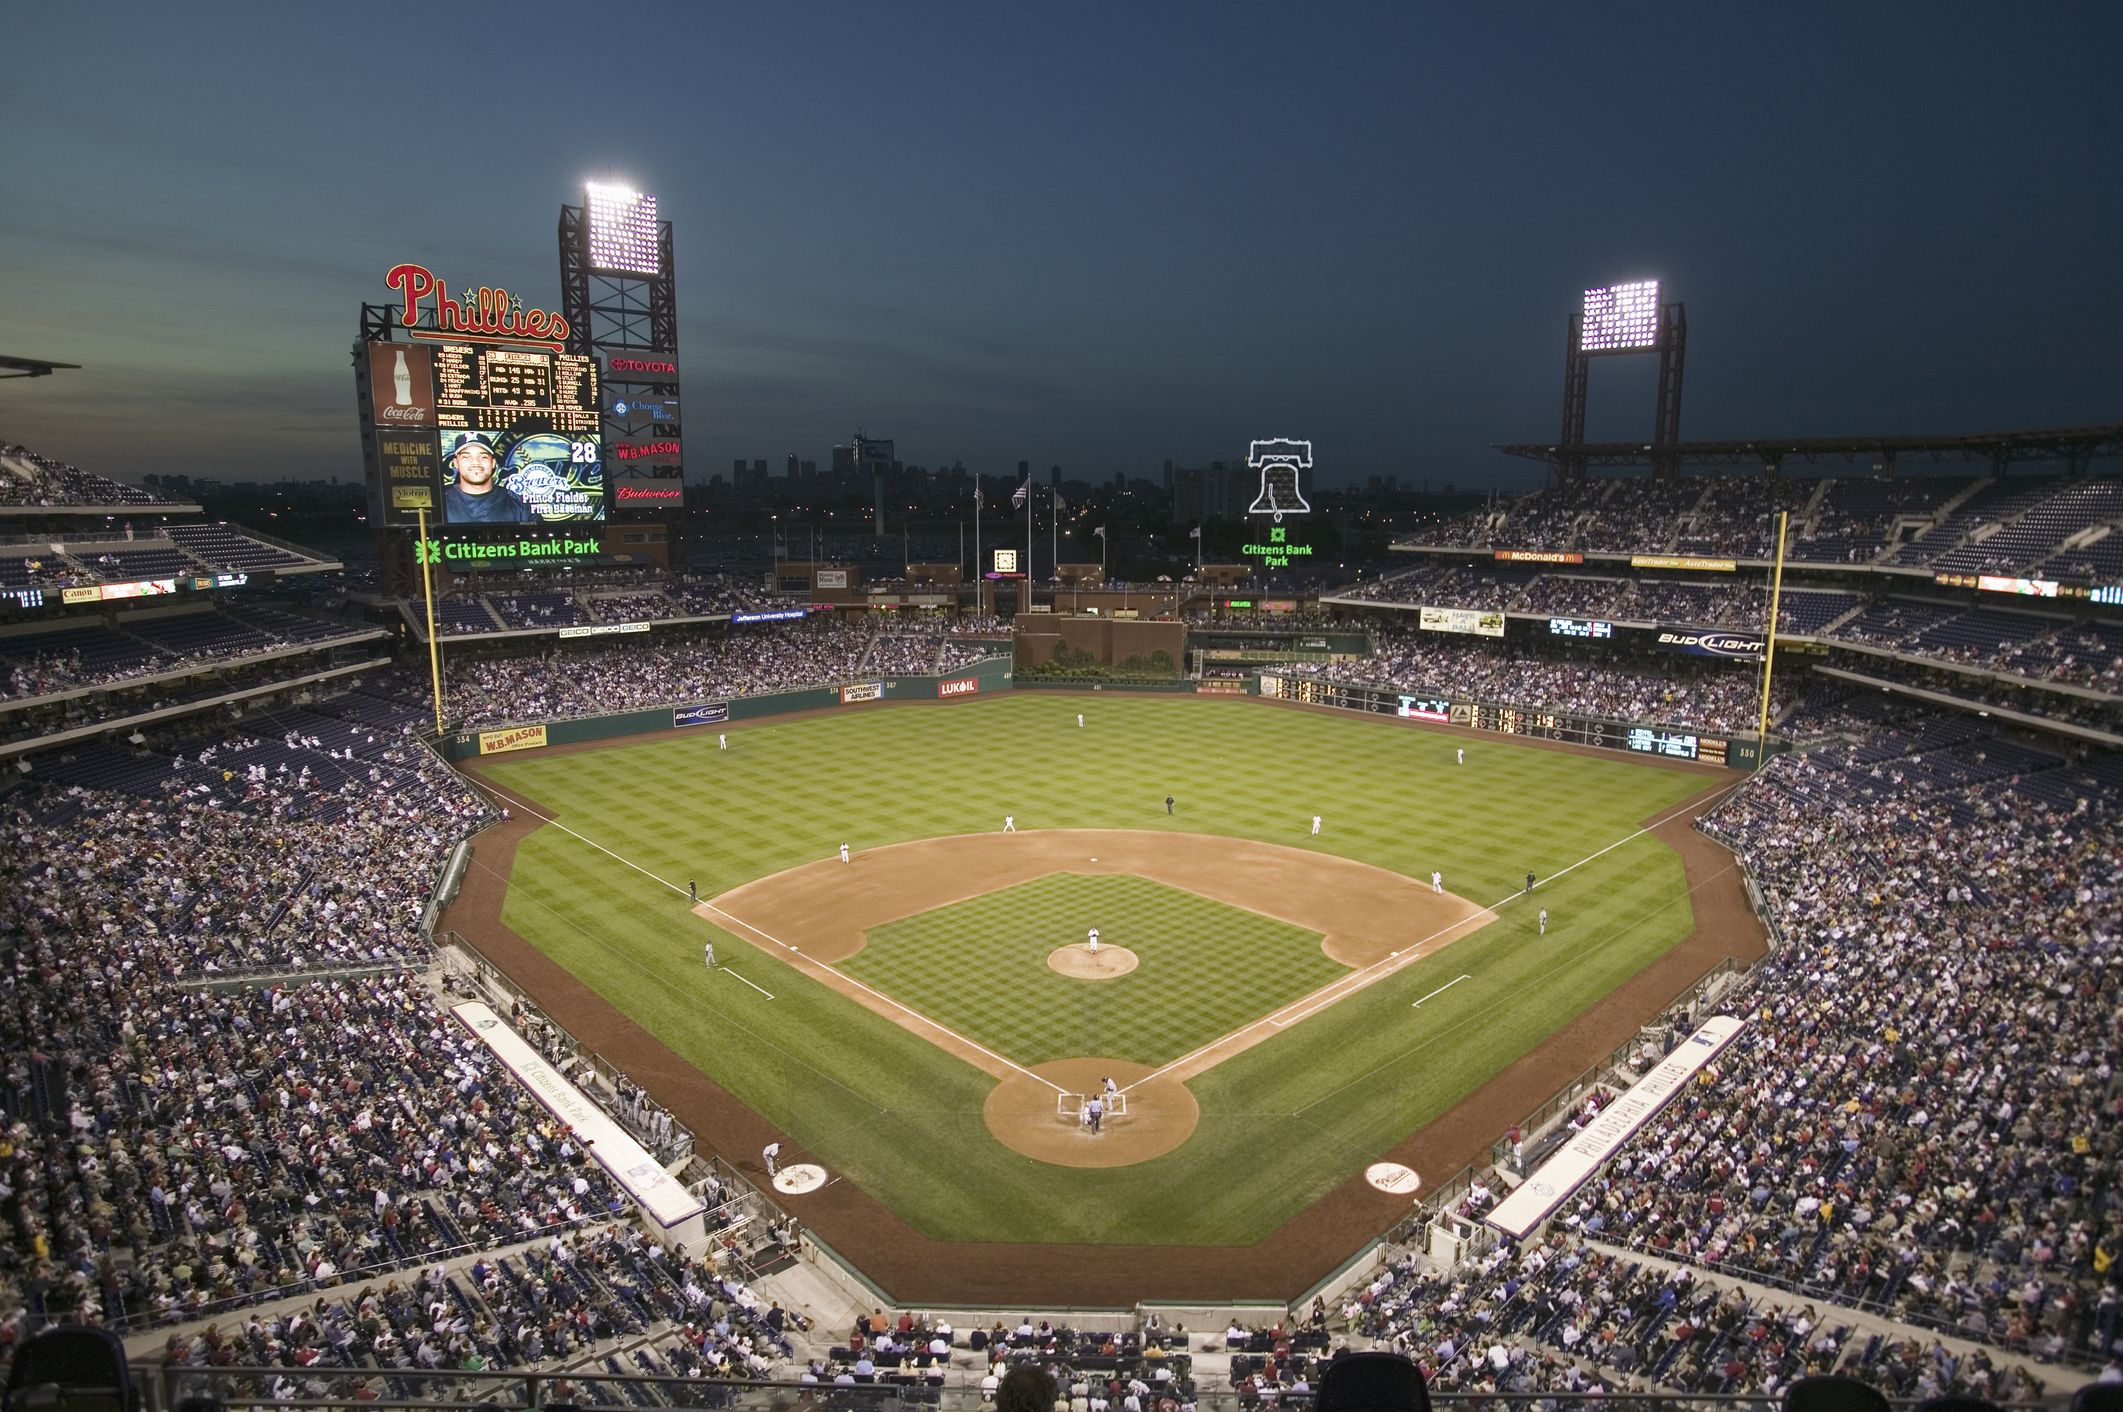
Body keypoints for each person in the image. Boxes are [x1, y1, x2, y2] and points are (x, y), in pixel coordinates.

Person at [441, 431, 533, 524]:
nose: (475, 463)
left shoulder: (518, 505)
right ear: (456, 463)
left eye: (483, 457)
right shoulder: (440, 503)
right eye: (466, 457)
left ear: (493, 463)